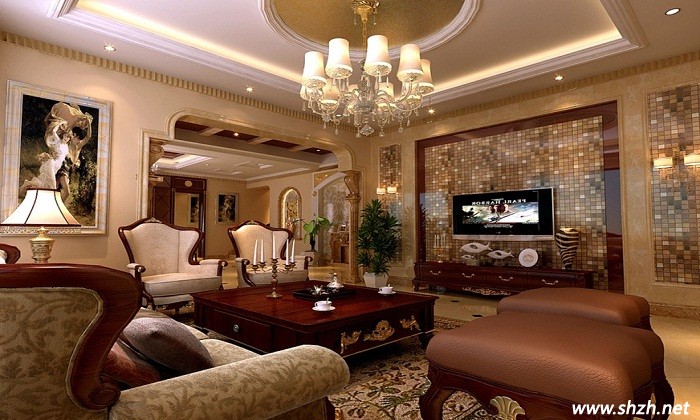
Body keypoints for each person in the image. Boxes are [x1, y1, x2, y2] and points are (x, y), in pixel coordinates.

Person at [18, 102, 92, 200]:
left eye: (71, 137)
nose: (72, 138)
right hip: (61, 169)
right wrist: (61, 123)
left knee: (50, 189)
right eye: (73, 137)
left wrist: (87, 123)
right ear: (73, 136)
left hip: (62, 169)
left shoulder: (73, 146)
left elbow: (87, 136)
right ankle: (58, 206)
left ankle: (33, 191)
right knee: (60, 190)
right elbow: (57, 135)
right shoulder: (63, 143)